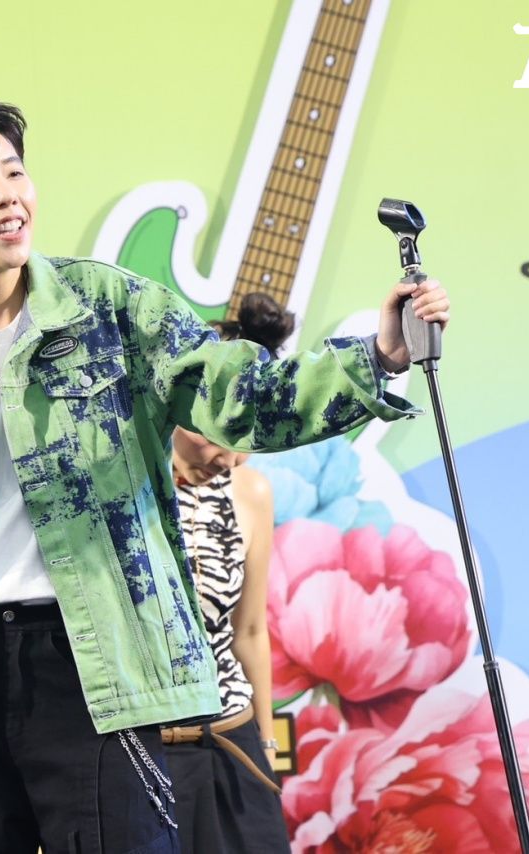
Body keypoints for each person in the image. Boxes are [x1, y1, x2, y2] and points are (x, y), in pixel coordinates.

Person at [0, 93, 450, 854]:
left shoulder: (109, 307)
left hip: (97, 662)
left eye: (13, 172)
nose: (6, 195)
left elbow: (243, 397)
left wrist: (379, 355)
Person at [161, 293, 295, 853]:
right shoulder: (127, 484)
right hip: (143, 750)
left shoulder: (251, 491)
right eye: (220, 434)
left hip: (232, 740)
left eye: (246, 439)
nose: (231, 457)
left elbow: (251, 631)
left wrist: (267, 743)